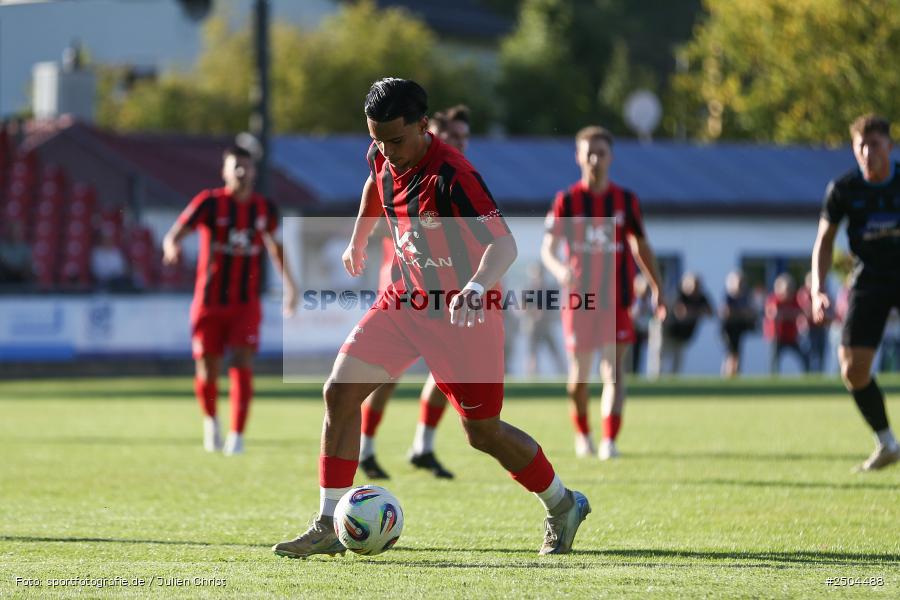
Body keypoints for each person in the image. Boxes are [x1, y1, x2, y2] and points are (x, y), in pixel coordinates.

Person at [273, 78, 590, 558]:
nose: (386, 150)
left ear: (424, 125)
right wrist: (359, 239)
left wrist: (475, 287)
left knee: (483, 433)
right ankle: (327, 523)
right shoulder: (384, 151)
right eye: (376, 139)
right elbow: (374, 187)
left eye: (395, 140)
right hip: (406, 301)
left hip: (464, 316)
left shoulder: (453, 176)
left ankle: (563, 503)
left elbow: (504, 245)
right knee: (339, 392)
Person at [357, 105, 473, 480]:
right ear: (428, 130)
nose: (458, 142)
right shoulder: (407, 163)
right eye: (451, 135)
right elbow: (376, 184)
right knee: (387, 374)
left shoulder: (459, 175)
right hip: (400, 284)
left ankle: (423, 446)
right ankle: (366, 448)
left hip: (444, 290)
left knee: (446, 370)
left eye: (463, 136)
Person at [162, 145, 298, 456]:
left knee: (242, 363)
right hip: (209, 302)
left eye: (246, 166)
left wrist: (291, 285)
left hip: (245, 303)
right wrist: (172, 247)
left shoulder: (264, 209)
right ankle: (211, 422)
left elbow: (276, 248)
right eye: (235, 166)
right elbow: (174, 234)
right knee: (207, 369)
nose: (241, 171)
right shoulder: (209, 203)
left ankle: (237, 435)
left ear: (254, 171)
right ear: (224, 171)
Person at [541, 125, 665, 460]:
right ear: (578, 157)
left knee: (613, 371)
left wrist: (657, 288)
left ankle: (609, 441)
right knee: (579, 377)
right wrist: (561, 269)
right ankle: (583, 435)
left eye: (602, 152)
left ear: (611, 157)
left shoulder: (625, 201)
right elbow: (548, 249)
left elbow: (641, 246)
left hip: (617, 301)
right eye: (589, 152)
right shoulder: (567, 200)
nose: (595, 158)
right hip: (580, 302)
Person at [811, 113, 900, 472]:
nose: (867, 152)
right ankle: (887, 442)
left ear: (889, 148)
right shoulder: (843, 189)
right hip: (870, 280)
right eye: (860, 146)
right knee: (853, 370)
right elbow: (824, 241)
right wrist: (818, 289)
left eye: (874, 144)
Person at [649, 272, 711, 377]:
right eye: (693, 285)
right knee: (660, 356)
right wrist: (699, 311)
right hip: (666, 330)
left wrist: (695, 312)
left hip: (682, 335)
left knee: (677, 360)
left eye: (697, 286)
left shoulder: (701, 297)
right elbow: (682, 313)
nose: (695, 289)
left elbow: (710, 313)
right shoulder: (678, 294)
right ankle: (656, 379)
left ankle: (673, 382)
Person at [765, 273, 809, 374]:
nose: (789, 292)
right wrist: (790, 314)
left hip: (791, 336)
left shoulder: (795, 300)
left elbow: (801, 313)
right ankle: (773, 380)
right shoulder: (774, 299)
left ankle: (808, 375)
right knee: (774, 361)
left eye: (791, 289)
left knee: (804, 357)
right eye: (787, 289)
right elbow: (773, 314)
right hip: (777, 336)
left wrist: (785, 314)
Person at [720, 270, 757, 377]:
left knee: (737, 353)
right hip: (728, 329)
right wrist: (741, 312)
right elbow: (727, 312)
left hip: (739, 328)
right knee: (731, 353)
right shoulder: (728, 296)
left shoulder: (746, 295)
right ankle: (727, 375)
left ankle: (735, 374)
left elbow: (750, 312)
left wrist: (740, 313)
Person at [797, 272, 829, 372]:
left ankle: (819, 373)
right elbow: (808, 311)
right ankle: (808, 372)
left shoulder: (822, 293)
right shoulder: (804, 293)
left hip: (820, 326)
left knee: (821, 352)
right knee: (809, 353)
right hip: (808, 328)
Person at [628, 274, 654, 375]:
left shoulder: (648, 300)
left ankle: (635, 372)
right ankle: (628, 372)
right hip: (632, 330)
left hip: (642, 331)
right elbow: (632, 314)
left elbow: (650, 316)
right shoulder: (634, 299)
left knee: (638, 354)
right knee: (630, 354)